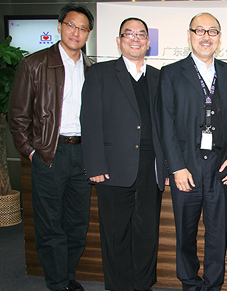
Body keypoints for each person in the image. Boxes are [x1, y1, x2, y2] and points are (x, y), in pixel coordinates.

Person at [8, 4, 94, 291]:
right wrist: (32, 152)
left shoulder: (92, 68)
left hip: (82, 154)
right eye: (71, 25)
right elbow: (17, 116)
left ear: (88, 34)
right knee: (50, 225)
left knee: (77, 224)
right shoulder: (34, 64)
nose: (76, 32)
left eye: (83, 28)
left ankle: (66, 276)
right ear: (59, 26)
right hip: (49, 153)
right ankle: (57, 284)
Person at [80, 17, 167, 291]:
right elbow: (90, 120)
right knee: (116, 235)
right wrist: (94, 164)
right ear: (119, 41)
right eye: (128, 34)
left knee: (146, 235)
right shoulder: (101, 73)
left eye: (141, 34)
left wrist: (165, 167)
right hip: (112, 168)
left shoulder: (158, 76)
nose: (135, 39)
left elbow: (165, 125)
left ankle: (142, 285)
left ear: (148, 43)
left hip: (150, 168)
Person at [156, 12, 227, 291]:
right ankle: (190, 285)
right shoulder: (171, 73)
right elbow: (165, 123)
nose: (206, 37)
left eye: (212, 31)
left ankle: (213, 286)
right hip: (187, 167)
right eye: (200, 31)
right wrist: (176, 167)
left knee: (218, 236)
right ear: (190, 35)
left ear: (219, 37)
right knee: (186, 235)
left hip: (220, 166)